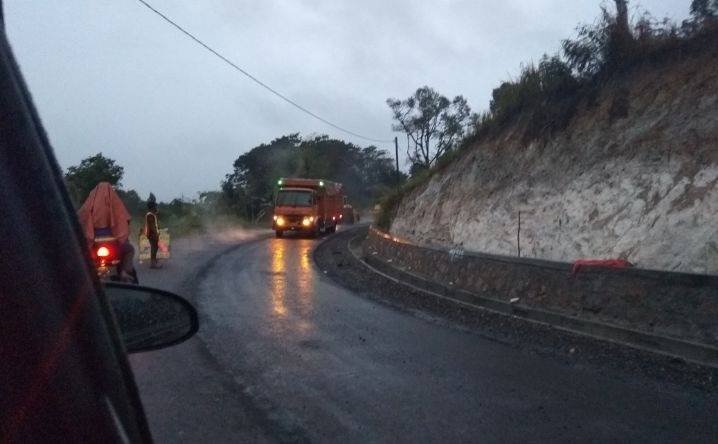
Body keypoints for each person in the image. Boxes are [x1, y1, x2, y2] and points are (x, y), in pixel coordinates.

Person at [77, 182, 137, 282]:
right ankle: (124, 271)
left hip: (93, 244)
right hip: (114, 245)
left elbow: (80, 218)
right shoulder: (114, 202)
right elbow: (125, 219)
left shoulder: (89, 203)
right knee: (129, 249)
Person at [145, 201, 162, 269]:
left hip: (152, 233)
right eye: (155, 206)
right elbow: (152, 226)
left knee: (155, 247)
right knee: (154, 248)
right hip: (152, 234)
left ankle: (154, 261)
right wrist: (156, 233)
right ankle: (153, 263)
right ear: (152, 207)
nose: (156, 207)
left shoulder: (152, 214)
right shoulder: (150, 215)